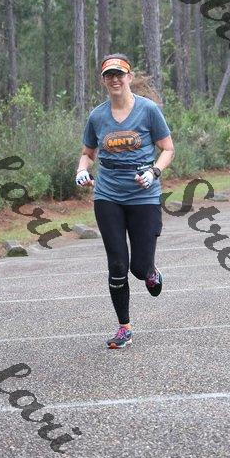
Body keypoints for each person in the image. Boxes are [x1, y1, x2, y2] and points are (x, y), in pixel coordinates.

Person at [75, 53, 175, 349]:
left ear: (129, 77)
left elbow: (168, 148)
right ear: (103, 81)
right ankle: (124, 328)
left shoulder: (148, 110)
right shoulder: (97, 116)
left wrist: (154, 172)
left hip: (144, 195)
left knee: (138, 268)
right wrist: (82, 170)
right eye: (109, 75)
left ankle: (151, 272)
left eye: (119, 74)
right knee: (117, 263)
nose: (115, 79)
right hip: (108, 195)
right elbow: (87, 153)